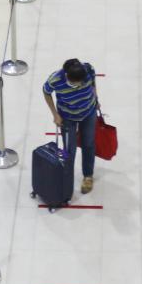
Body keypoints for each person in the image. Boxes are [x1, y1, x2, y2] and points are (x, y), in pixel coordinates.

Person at [42, 57, 101, 196]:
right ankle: (66, 177)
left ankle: (88, 176)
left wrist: (96, 98)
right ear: (67, 75)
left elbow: (93, 83)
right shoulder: (55, 80)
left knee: (89, 144)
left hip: (89, 113)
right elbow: (46, 92)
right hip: (67, 117)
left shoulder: (88, 70)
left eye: (80, 82)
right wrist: (55, 114)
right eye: (75, 83)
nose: (78, 85)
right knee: (69, 150)